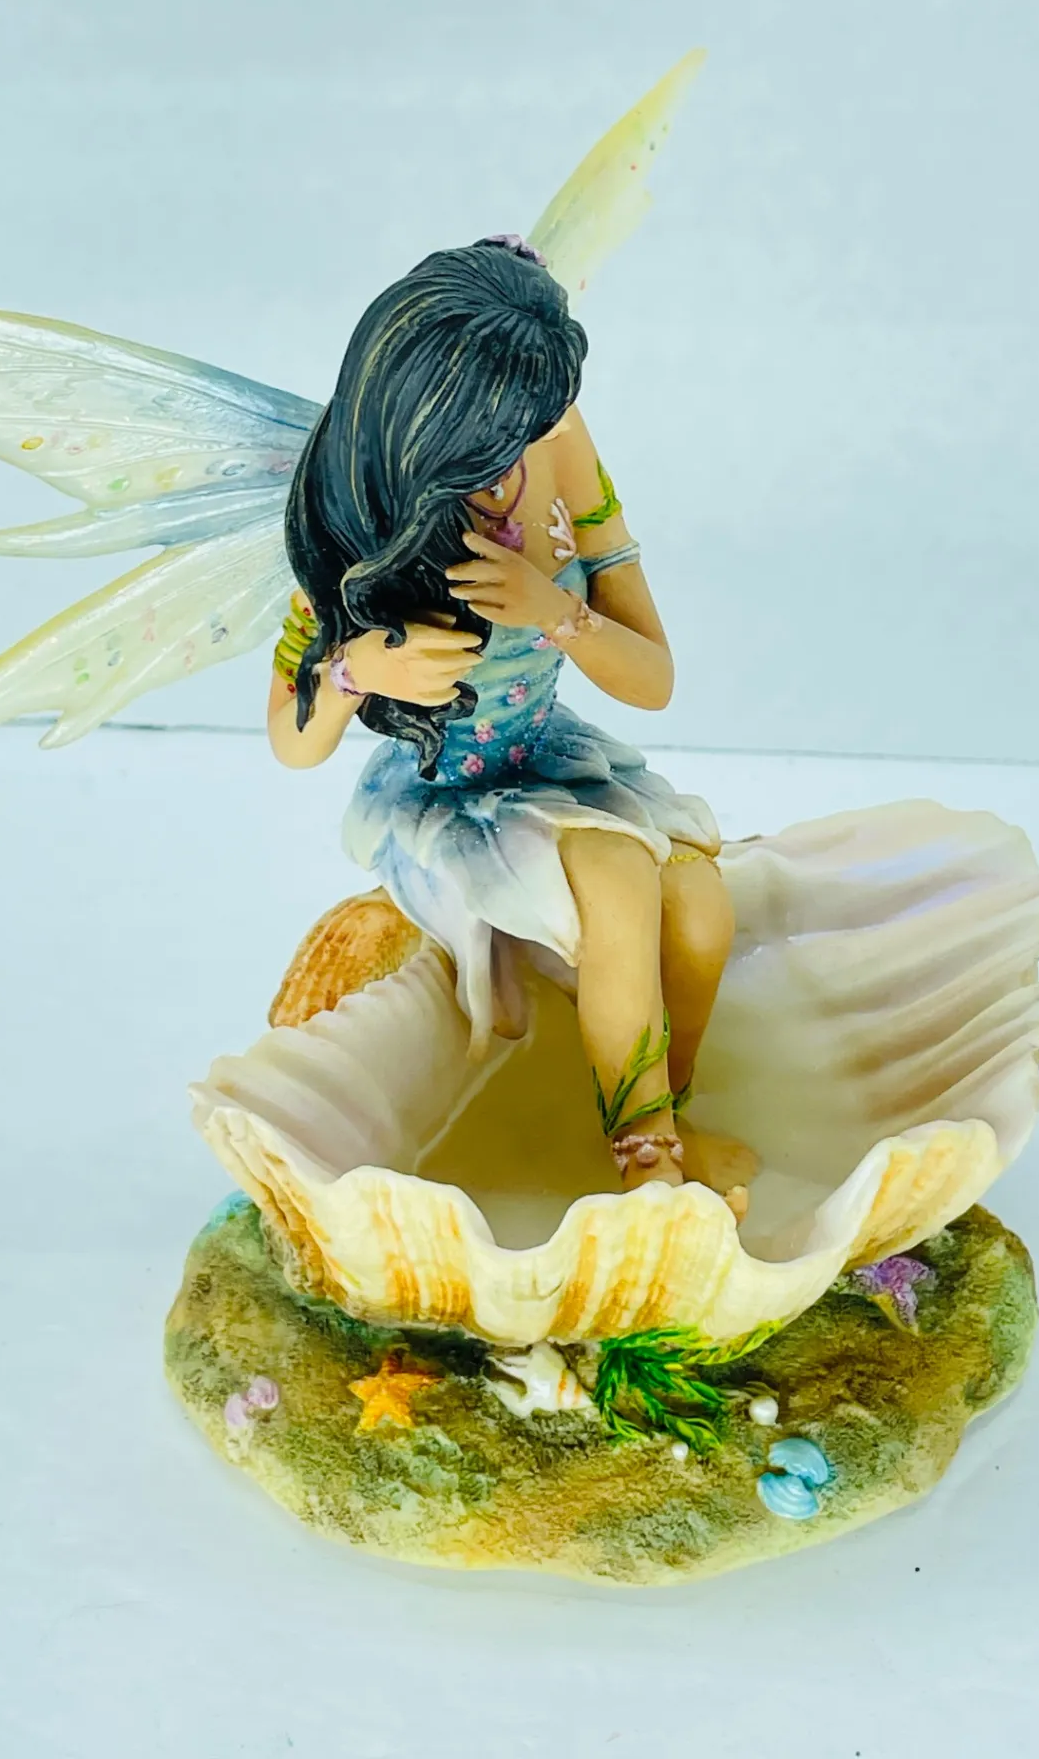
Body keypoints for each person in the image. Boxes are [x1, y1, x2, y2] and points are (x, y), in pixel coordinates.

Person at [266, 238, 734, 1191]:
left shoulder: (557, 442)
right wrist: (361, 669)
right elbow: (291, 740)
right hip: (445, 796)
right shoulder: (352, 509)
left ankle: (666, 1110)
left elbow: (653, 680)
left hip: (553, 760)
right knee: (619, 881)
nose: (538, 431)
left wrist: (558, 612)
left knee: (701, 911)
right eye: (515, 416)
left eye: (544, 408)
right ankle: (645, 1163)